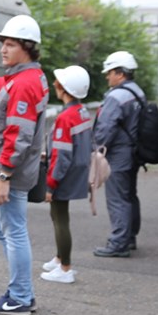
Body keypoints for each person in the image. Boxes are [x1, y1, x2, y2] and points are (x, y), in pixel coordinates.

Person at [0, 14, 49, 315]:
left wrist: (5, 175)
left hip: (12, 173)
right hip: (11, 170)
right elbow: (7, 82)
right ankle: (21, 290)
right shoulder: (26, 77)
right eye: (2, 44)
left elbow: (18, 136)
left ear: (27, 47)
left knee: (14, 230)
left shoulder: (24, 85)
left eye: (9, 44)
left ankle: (20, 296)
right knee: (0, 225)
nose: (3, 50)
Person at [40, 65, 93, 284]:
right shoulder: (82, 112)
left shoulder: (65, 117)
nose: (54, 84)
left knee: (60, 219)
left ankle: (65, 268)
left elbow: (62, 156)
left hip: (64, 175)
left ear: (64, 88)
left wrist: (51, 185)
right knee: (58, 217)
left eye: (58, 82)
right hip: (77, 171)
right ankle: (60, 256)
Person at [93, 50, 143, 258]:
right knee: (129, 196)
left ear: (120, 73)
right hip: (134, 152)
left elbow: (106, 128)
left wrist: (96, 149)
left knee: (117, 198)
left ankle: (118, 243)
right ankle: (129, 237)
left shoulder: (116, 96)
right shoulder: (136, 92)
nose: (107, 76)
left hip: (118, 154)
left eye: (110, 72)